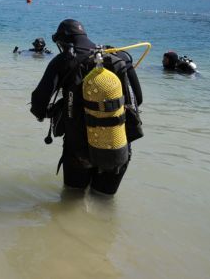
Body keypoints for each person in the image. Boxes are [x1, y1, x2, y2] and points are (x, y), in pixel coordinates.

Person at [30, 19, 144, 196]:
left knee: (72, 200)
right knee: (104, 202)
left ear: (63, 41)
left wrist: (50, 112)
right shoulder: (117, 57)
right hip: (117, 146)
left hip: (78, 151)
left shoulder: (63, 60)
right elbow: (139, 99)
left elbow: (38, 103)